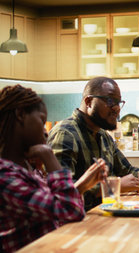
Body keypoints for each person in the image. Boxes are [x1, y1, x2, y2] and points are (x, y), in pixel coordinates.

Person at [47, 76, 139, 211]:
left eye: (119, 102)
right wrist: (113, 187)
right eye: (110, 101)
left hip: (105, 214)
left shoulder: (103, 136)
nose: (117, 108)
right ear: (88, 101)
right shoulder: (65, 134)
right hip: (79, 222)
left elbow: (128, 172)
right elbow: (61, 194)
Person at [0, 85, 108, 252]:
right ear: (20, 114)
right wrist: (49, 156)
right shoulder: (5, 176)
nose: (45, 132)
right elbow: (70, 210)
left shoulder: (27, 170)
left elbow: (57, 212)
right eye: (42, 121)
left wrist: (82, 186)